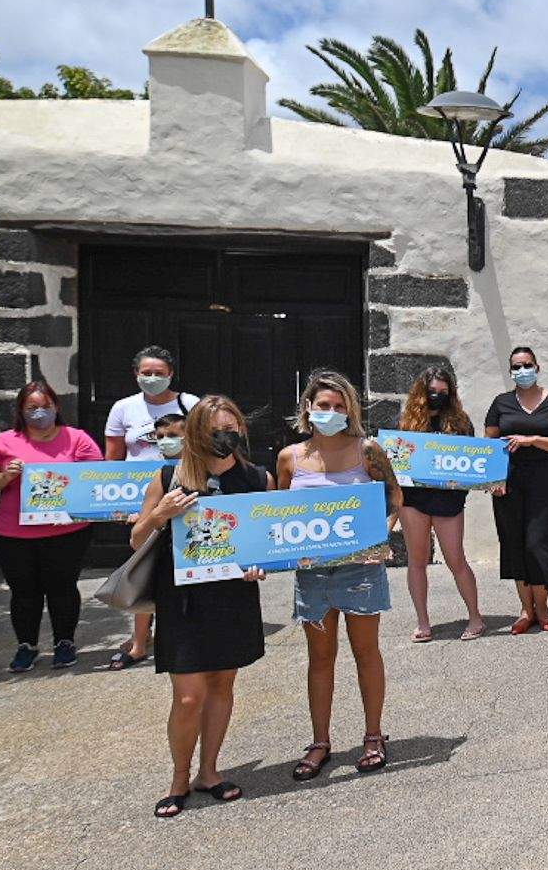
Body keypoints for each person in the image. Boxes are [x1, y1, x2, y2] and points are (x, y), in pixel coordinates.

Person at [128, 396, 269, 818]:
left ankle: (209, 771)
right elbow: (136, 540)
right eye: (213, 431)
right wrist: (159, 514)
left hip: (232, 597)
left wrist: (259, 565)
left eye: (230, 429)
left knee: (223, 686)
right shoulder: (169, 477)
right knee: (189, 696)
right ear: (196, 433)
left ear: (241, 430)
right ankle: (179, 779)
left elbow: (267, 540)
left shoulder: (257, 479)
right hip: (183, 600)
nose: (223, 437)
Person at [279, 371, 402, 782]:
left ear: (350, 410)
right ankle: (319, 742)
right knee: (320, 658)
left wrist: (381, 536)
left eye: (338, 406)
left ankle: (373, 735)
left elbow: (394, 498)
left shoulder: (367, 451)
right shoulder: (289, 458)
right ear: (308, 408)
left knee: (366, 652)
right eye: (323, 406)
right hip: (311, 574)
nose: (330, 412)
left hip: (360, 570)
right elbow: (278, 513)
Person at [0, 379, 103, 672]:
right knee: (24, 592)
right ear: (21, 410)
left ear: (56, 406)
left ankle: (64, 643)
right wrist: (5, 476)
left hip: (67, 532)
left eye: (45, 406)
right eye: (32, 408)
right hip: (13, 534)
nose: (39, 412)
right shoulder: (5, 441)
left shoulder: (77, 439)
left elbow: (96, 477)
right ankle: (26, 646)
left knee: (62, 588)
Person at [101, 345, 200, 669]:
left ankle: (183, 631)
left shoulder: (190, 404)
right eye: (147, 372)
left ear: (171, 374)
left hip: (184, 494)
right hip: (139, 503)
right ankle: (139, 642)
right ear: (136, 374)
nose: (153, 378)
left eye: (159, 372)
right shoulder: (123, 408)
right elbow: (112, 460)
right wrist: (116, 505)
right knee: (144, 568)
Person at [484, 346, 548, 633]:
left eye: (527, 365)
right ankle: (526, 610)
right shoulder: (500, 403)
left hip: (545, 485)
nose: (522, 370)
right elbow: (489, 446)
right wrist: (493, 481)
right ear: (510, 371)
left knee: (540, 544)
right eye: (516, 366)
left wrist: (533, 440)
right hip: (508, 486)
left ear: (537, 368)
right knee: (515, 544)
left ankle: (543, 607)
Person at [397, 366, 486, 643]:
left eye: (443, 392)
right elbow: (396, 462)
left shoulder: (460, 422)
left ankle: (475, 617)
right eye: (432, 391)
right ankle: (423, 622)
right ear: (422, 392)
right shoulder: (405, 421)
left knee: (456, 559)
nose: (437, 396)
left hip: (448, 500)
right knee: (416, 561)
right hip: (413, 500)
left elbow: (471, 460)